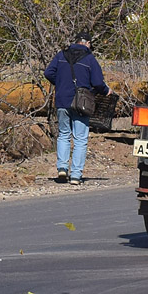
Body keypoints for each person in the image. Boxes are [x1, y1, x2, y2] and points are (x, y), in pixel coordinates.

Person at [44, 32, 109, 185]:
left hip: (62, 100)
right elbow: (98, 82)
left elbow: (48, 72)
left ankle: (62, 168)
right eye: (90, 44)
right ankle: (76, 175)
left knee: (64, 134)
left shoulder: (61, 55)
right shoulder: (90, 59)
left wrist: (60, 83)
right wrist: (106, 91)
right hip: (81, 103)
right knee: (80, 139)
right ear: (86, 43)